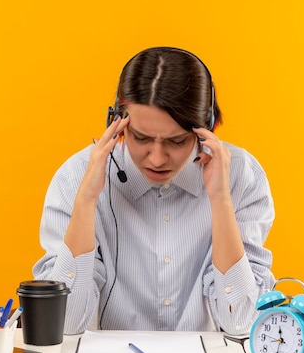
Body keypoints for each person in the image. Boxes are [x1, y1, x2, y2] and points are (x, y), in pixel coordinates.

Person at [33, 46, 275, 335]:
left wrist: (221, 201)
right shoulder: (75, 178)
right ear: (116, 123)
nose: (158, 158)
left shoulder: (241, 176)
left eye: (177, 141)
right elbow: (65, 324)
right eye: (141, 137)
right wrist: (85, 201)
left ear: (206, 127)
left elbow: (242, 323)